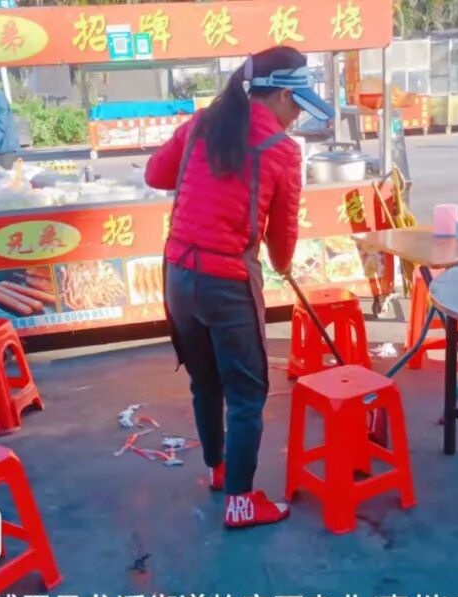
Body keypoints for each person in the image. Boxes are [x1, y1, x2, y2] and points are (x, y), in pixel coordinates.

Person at [144, 46, 333, 529]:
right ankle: (241, 502)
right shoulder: (282, 151)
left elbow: (156, 173)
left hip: (178, 276)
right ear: (284, 96)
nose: (297, 118)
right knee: (248, 394)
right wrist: (282, 264)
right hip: (226, 283)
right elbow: (282, 236)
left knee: (205, 381)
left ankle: (219, 468)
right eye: (298, 105)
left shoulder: (204, 122)